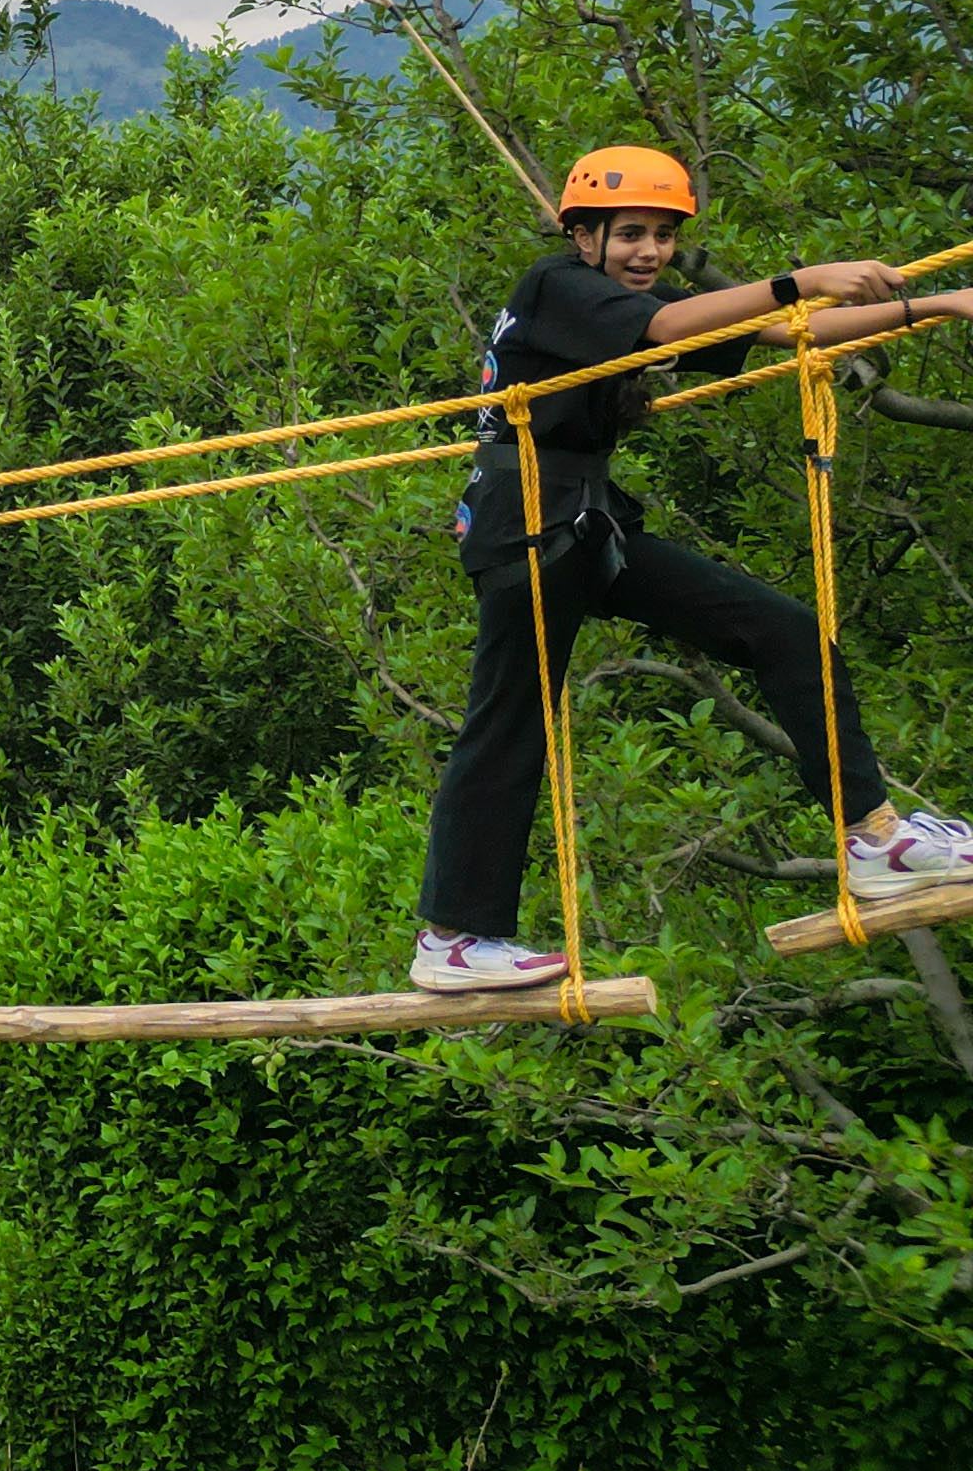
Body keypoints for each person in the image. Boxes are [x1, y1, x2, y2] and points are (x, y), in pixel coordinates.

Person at [411, 147, 973, 992]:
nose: (650, 251)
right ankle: (453, 938)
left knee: (783, 631)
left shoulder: (623, 309)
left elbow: (786, 335)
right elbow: (694, 326)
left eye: (664, 236)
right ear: (583, 236)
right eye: (631, 233)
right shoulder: (556, 287)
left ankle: (875, 837)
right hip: (526, 526)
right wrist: (803, 277)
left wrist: (940, 304)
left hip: (586, 526)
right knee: (510, 722)